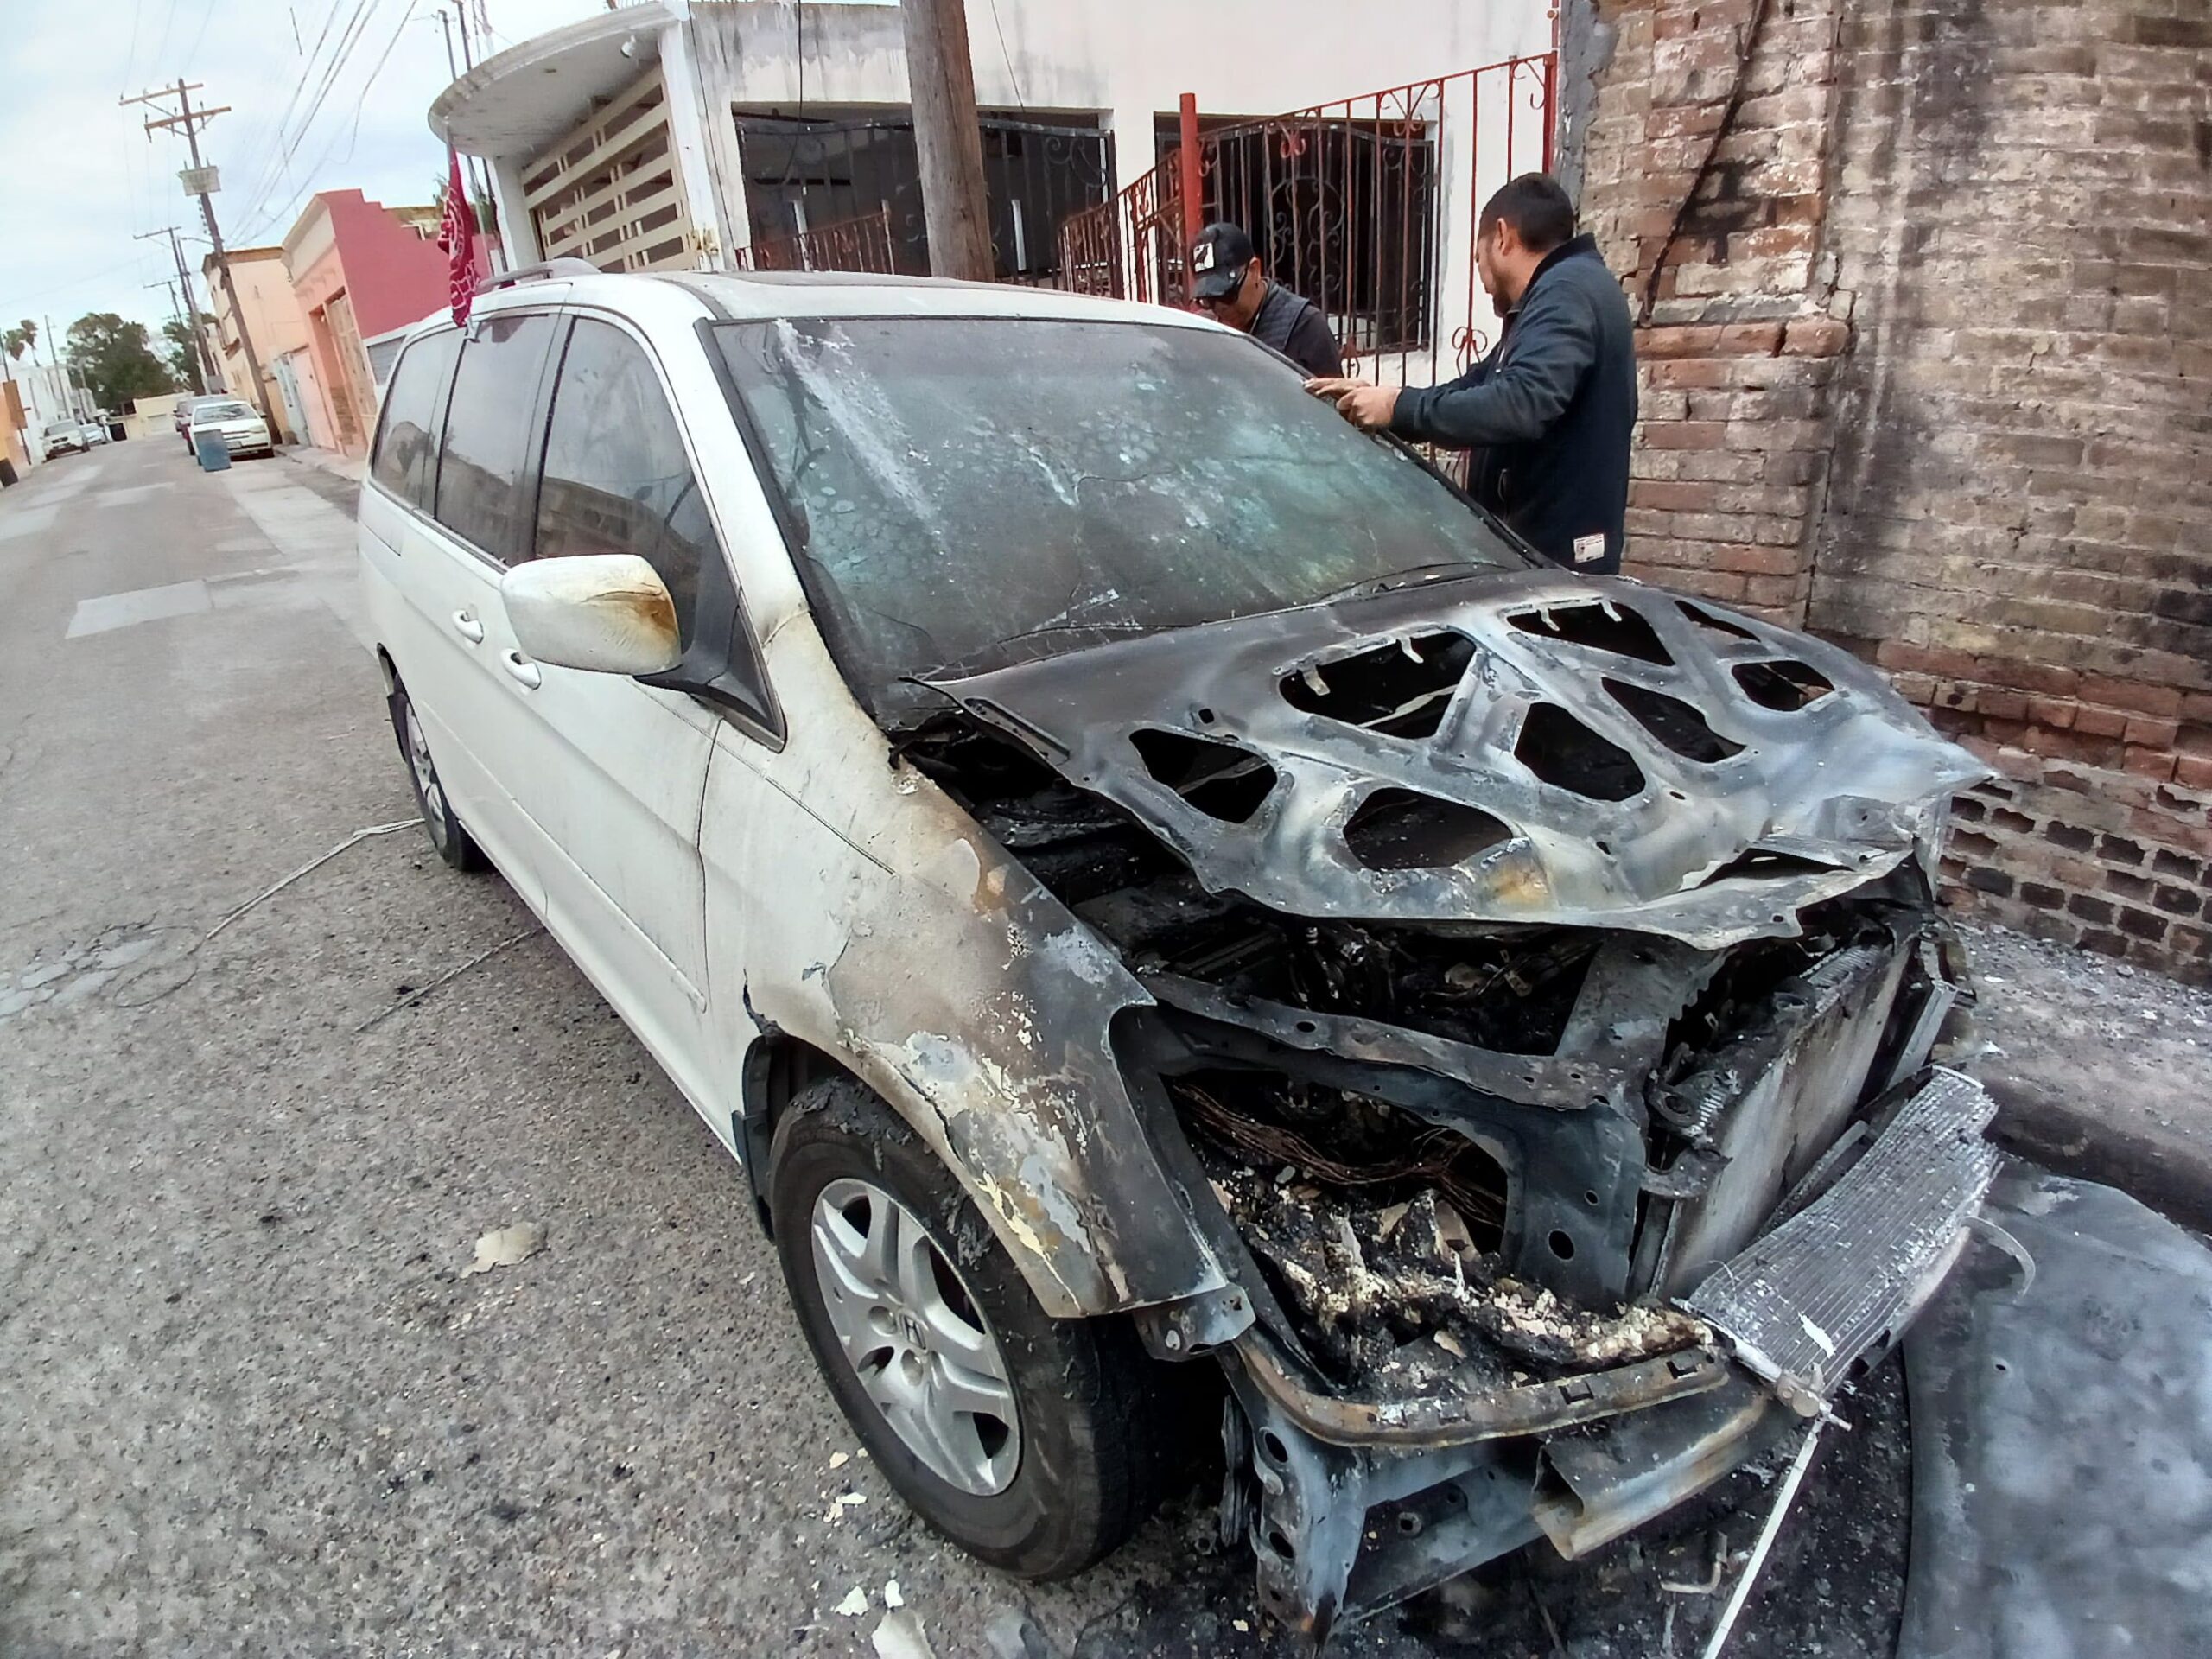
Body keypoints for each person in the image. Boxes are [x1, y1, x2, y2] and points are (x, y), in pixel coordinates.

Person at [1306, 175, 1636, 574]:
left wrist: (1400, 407)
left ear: (1502, 237)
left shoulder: (1565, 291)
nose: (1481, 279)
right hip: (1546, 557)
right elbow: (1482, 381)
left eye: (1477, 258)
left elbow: (1521, 402)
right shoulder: (1560, 292)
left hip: (1557, 565)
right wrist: (1388, 399)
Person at [1189, 221, 1343, 379]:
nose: (1220, 307)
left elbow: (1332, 393)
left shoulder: (1306, 326)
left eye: (1227, 295)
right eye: (1209, 300)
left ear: (1254, 270)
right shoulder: (1204, 329)